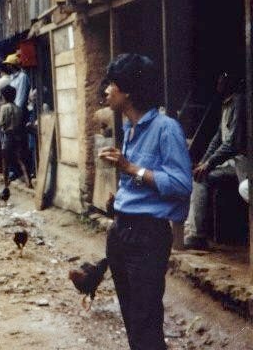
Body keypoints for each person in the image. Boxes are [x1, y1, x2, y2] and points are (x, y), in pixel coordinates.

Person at [98, 54, 192, 350]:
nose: (106, 91)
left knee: (145, 318)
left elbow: (181, 184)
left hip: (148, 234)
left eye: (111, 84)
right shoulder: (129, 129)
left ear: (128, 91)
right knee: (130, 315)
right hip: (122, 230)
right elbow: (140, 182)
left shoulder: (166, 129)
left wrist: (130, 169)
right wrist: (123, 194)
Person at [184, 72, 248, 250]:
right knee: (198, 172)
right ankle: (190, 228)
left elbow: (232, 143)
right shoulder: (225, 104)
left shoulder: (239, 102)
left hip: (242, 163)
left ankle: (198, 235)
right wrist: (203, 161)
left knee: (201, 178)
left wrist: (209, 164)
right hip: (231, 161)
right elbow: (218, 138)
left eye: (223, 77)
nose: (219, 81)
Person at [0, 86, 31, 191]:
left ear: (4, 96)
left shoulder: (4, 107)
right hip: (18, 135)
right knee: (21, 159)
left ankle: (6, 183)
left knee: (5, 161)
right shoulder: (18, 108)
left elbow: (1, 123)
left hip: (8, 136)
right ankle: (28, 181)